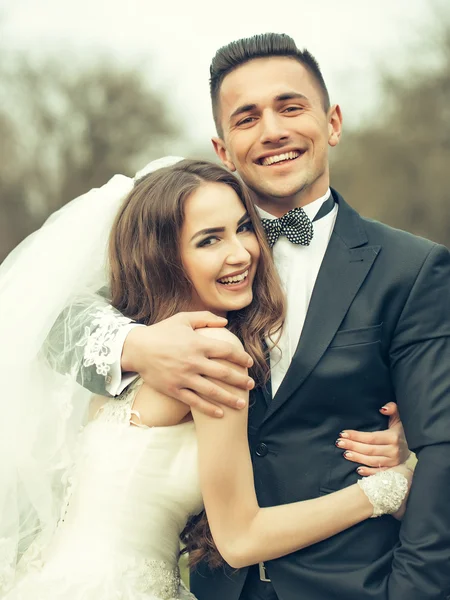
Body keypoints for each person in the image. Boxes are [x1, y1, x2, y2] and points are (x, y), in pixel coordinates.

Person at [41, 33, 450, 600]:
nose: (273, 131)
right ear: (224, 149)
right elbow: (50, 324)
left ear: (332, 122)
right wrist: (139, 348)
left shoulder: (412, 269)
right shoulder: (187, 262)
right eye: (247, 118)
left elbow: (442, 447)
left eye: (290, 107)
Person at [0, 159, 412, 600]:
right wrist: (389, 487)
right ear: (164, 257)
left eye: (243, 228)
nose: (242, 253)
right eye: (209, 240)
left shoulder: (131, 349)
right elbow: (241, 540)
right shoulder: (212, 353)